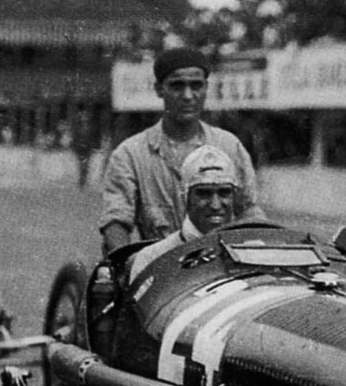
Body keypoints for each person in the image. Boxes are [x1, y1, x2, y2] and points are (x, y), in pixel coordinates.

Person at [99, 46, 264, 253]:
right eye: (177, 86)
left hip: (220, 262)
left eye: (196, 86)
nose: (187, 96)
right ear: (159, 89)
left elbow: (248, 210)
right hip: (160, 264)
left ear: (206, 88)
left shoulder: (229, 146)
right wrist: (126, 259)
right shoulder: (131, 154)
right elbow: (116, 220)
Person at [128, 144, 241, 278]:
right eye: (204, 193)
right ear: (185, 198)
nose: (215, 205)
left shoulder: (252, 252)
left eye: (224, 193)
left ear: (234, 197)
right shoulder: (152, 259)